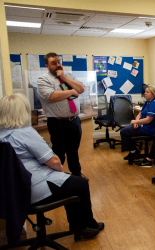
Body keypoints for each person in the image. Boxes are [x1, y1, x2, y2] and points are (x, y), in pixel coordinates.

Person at [0, 93, 104, 239]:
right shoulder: (25, 133)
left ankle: (79, 226)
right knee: (80, 183)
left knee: (70, 181)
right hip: (31, 188)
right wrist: (59, 169)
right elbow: (55, 163)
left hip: (11, 192)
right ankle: (86, 226)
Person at [37, 52, 88, 181]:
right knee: (59, 152)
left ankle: (76, 174)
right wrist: (71, 91)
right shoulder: (43, 79)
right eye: (54, 63)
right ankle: (57, 178)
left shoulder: (69, 76)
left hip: (74, 121)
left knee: (73, 150)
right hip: (57, 122)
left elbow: (81, 89)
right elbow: (52, 96)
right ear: (47, 66)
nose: (58, 65)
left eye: (59, 62)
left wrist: (64, 78)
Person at [120, 85, 155, 168]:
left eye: (147, 92)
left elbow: (148, 120)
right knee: (125, 131)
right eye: (145, 91)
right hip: (142, 126)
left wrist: (136, 121)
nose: (145, 93)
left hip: (149, 129)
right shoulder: (148, 102)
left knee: (124, 132)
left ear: (153, 94)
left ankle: (134, 151)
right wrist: (137, 121)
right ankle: (133, 151)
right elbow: (140, 113)